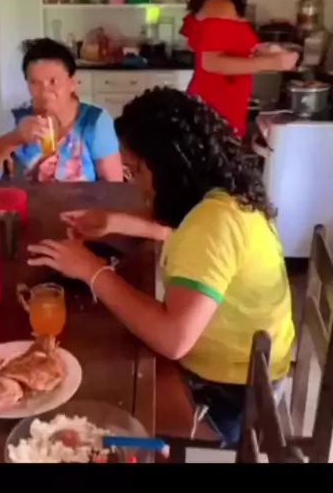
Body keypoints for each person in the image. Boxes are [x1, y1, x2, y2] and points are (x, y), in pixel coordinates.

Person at [27, 87, 295, 446]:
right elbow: (177, 231)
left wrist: (92, 270)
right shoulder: (218, 196)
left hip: (230, 399)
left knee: (93, 405)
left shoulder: (214, 223)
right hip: (246, 374)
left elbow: (172, 340)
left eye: (136, 171)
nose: (136, 185)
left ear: (168, 166)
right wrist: (115, 222)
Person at [181, 0, 299, 137]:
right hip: (216, 108)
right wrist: (273, 63)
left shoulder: (217, 0)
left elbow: (198, 45)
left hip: (215, 105)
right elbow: (210, 62)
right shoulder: (220, 6)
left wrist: (254, 50)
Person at [0, 38, 123, 183]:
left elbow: (114, 188)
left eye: (53, 81)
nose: (44, 91)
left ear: (72, 82)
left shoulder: (94, 122)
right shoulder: (16, 120)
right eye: (35, 82)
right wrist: (15, 138)